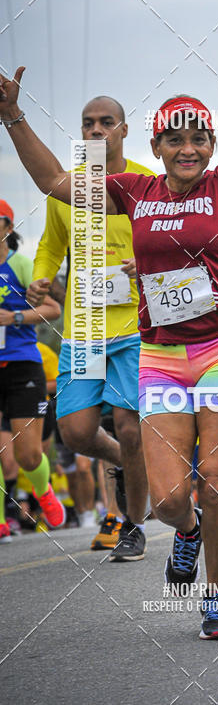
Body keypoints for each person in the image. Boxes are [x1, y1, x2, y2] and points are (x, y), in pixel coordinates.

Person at [1, 0, 218, 639]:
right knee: (174, 496)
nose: (186, 148)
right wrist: (11, 117)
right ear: (155, 143)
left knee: (216, 478)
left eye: (197, 137)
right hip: (159, 356)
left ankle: (217, 596)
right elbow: (57, 186)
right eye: (173, 138)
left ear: (211, 144)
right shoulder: (133, 190)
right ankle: (187, 530)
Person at [27, 96, 153, 560]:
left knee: (130, 425)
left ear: (123, 130)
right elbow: (50, 245)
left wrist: (144, 264)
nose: (96, 131)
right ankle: (126, 463)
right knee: (77, 434)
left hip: (135, 328)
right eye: (87, 124)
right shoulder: (69, 189)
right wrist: (43, 277)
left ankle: (133, 524)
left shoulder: (145, 182)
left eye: (106, 123)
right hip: (83, 330)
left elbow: (168, 241)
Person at [0, 200, 63, 541]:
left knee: (27, 455)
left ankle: (43, 491)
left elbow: (53, 308)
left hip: (23, 363)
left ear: (8, 228)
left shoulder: (21, 265)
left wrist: (16, 317)